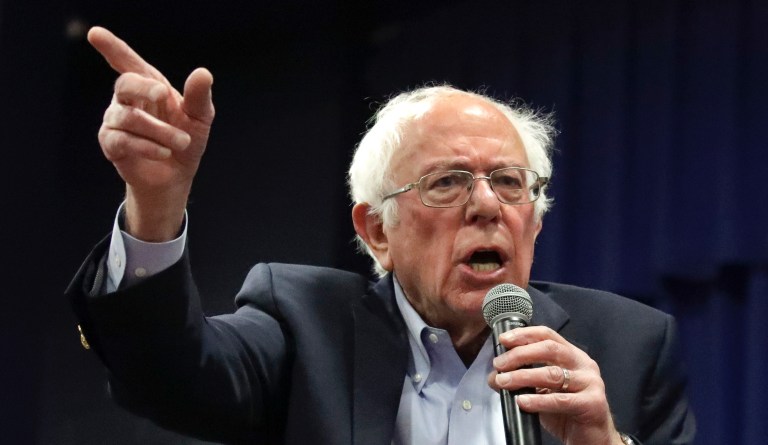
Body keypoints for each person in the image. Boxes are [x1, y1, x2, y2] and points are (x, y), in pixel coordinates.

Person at [67, 27, 695, 445]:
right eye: (447, 182)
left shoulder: (628, 347)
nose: (485, 205)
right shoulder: (304, 323)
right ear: (376, 231)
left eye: (509, 182)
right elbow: (163, 377)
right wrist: (156, 201)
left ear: (534, 217)